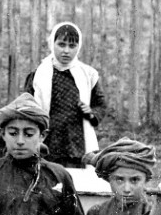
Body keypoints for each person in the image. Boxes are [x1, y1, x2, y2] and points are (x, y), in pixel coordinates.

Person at [29, 21, 106, 168]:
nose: (66, 51)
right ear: (53, 44)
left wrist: (91, 112)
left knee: (76, 179)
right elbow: (27, 102)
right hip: (49, 139)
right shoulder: (40, 74)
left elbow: (101, 104)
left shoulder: (88, 74)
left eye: (72, 46)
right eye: (61, 44)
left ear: (79, 46)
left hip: (76, 141)